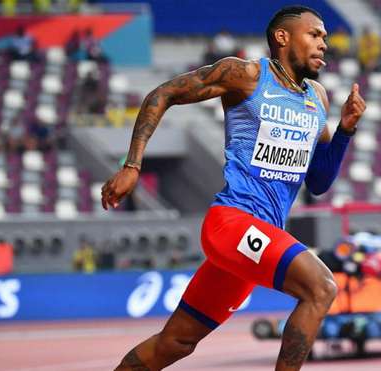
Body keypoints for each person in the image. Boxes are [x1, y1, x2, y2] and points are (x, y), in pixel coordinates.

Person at [100, 5, 365, 370]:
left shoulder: (317, 97)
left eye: (324, 37)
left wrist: (345, 131)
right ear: (282, 37)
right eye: (314, 35)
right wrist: (132, 165)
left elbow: (318, 182)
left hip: (259, 239)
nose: (324, 43)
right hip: (233, 223)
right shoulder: (246, 76)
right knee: (322, 288)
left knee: (176, 342)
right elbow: (162, 94)